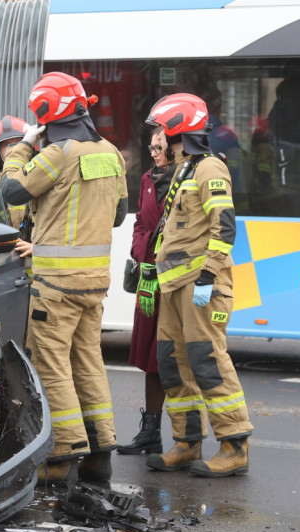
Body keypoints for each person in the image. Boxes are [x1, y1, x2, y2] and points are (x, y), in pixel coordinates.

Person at [0, 72, 127, 485]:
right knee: (89, 362)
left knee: (52, 365)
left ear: (44, 113)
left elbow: (12, 191)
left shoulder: (56, 153)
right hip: (95, 283)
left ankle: (64, 454)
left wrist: (22, 145)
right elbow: (121, 214)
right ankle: (100, 453)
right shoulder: (111, 152)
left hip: (56, 285)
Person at [142, 93, 253, 477]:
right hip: (174, 285)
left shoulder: (209, 169)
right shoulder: (185, 169)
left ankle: (234, 444)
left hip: (201, 284)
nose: (157, 140)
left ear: (176, 129)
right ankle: (187, 443)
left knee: (207, 361)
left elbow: (224, 226)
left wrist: (208, 273)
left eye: (160, 130)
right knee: (174, 365)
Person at [118, 128, 173, 456]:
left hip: (176, 283)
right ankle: (150, 431)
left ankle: (186, 438)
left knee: (170, 359)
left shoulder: (187, 180)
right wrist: (142, 252)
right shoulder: (148, 180)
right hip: (150, 282)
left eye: (160, 147)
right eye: (151, 147)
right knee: (151, 360)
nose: (154, 153)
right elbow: (140, 222)